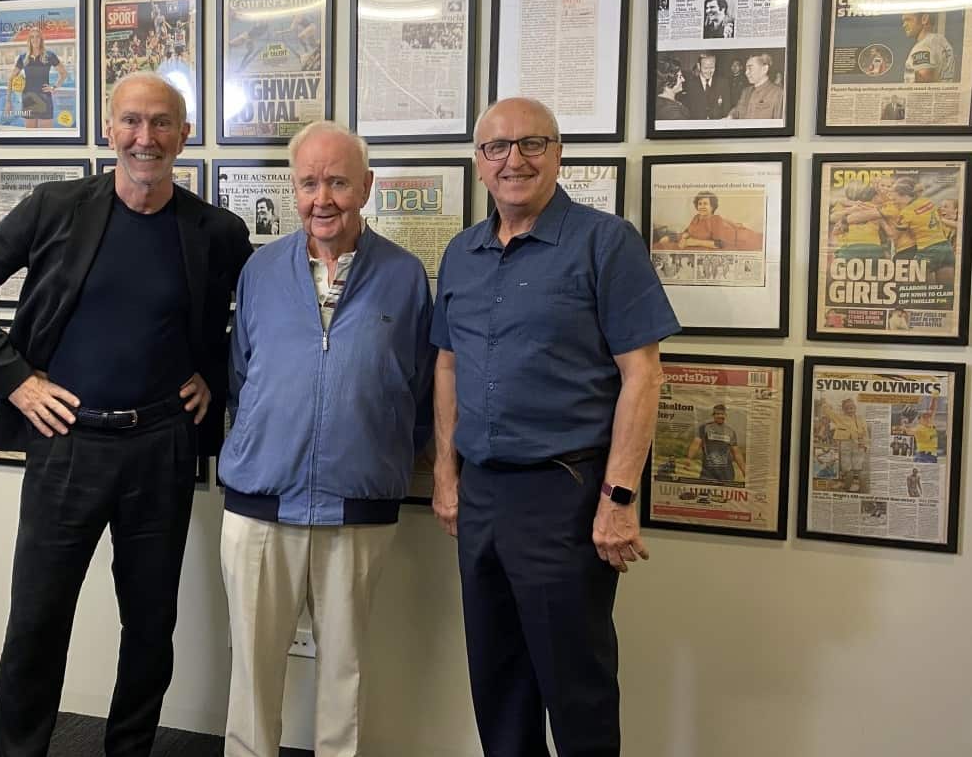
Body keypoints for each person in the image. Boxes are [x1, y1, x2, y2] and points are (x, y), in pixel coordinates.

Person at [0, 72, 253, 755]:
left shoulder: (215, 230)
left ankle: (128, 750)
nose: (147, 138)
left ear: (184, 135)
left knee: (149, 623)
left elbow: (255, 325)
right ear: (108, 130)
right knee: (38, 621)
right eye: (132, 122)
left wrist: (214, 378)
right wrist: (15, 379)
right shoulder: (56, 208)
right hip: (66, 446)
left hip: (160, 446)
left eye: (162, 123)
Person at [430, 97, 679, 757]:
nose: (514, 160)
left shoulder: (604, 242)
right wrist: (444, 471)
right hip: (480, 496)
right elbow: (448, 365)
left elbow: (644, 375)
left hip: (564, 496)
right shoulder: (463, 252)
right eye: (496, 147)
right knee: (498, 682)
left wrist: (619, 498)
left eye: (531, 144)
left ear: (559, 153)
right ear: (479, 163)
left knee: (577, 690)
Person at [217, 120, 434, 757]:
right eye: (309, 183)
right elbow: (241, 375)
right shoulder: (260, 271)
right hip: (260, 502)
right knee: (252, 673)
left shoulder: (405, 275)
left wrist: (384, 450)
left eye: (338, 181)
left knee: (346, 672)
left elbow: (419, 387)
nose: (323, 198)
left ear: (365, 186)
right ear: (294, 189)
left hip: (358, 505)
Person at [891, 176, 957, 285]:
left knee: (904, 286)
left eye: (895, 199)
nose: (894, 202)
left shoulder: (906, 212)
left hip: (928, 250)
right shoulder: (927, 201)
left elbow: (894, 236)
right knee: (946, 291)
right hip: (946, 248)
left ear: (903, 195)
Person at [3, 27, 69, 128]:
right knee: (30, 138)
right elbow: (11, 78)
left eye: (37, 37)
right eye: (32, 37)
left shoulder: (49, 56)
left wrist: (54, 87)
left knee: (46, 138)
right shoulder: (23, 58)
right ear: (29, 40)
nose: (35, 39)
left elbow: (63, 73)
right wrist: (8, 101)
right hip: (28, 100)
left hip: (45, 99)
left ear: (41, 39)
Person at [675, 191, 763, 251]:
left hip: (744, 240)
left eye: (705, 204)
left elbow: (720, 244)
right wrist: (684, 237)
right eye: (700, 204)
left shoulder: (716, 219)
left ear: (712, 206)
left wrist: (692, 242)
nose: (701, 206)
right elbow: (688, 230)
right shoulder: (696, 217)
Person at [817, 397, 869, 493]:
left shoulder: (860, 419)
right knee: (844, 464)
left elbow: (865, 432)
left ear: (855, 408)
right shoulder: (840, 418)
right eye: (847, 408)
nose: (850, 410)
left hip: (858, 443)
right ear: (843, 410)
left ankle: (855, 483)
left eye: (851, 408)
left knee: (857, 464)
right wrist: (824, 404)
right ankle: (841, 481)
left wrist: (866, 445)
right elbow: (829, 413)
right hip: (844, 443)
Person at [686, 404, 745, 482]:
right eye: (718, 414)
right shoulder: (704, 428)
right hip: (708, 473)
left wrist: (743, 470)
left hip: (727, 474)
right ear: (713, 415)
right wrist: (689, 459)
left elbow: (736, 453)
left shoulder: (731, 431)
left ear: (725, 415)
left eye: (722, 414)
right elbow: (696, 444)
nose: (720, 416)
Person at [901, 12, 955, 82]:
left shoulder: (923, 46)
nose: (904, 25)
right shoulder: (940, 40)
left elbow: (924, 83)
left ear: (924, 19)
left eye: (908, 19)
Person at [726, 53, 783, 119]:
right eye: (746, 69)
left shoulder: (778, 93)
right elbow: (737, 111)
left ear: (764, 69)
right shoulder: (746, 91)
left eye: (750, 68)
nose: (746, 72)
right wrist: (730, 116)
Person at [679, 54, 730, 119]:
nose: (709, 71)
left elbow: (727, 109)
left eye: (712, 68)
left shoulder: (723, 83)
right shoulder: (690, 85)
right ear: (698, 66)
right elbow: (687, 111)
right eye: (705, 68)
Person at [654, 55, 690, 120]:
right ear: (668, 82)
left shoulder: (661, 101)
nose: (683, 79)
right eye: (680, 77)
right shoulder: (670, 112)